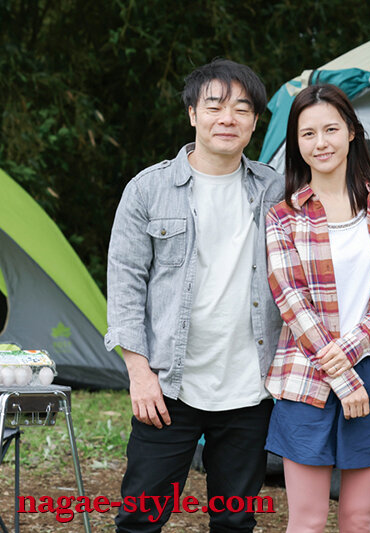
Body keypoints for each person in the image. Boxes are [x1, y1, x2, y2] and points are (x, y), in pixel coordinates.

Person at [106, 59, 284, 531]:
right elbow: (124, 284)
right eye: (214, 106)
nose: (227, 118)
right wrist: (139, 373)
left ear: (255, 122)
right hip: (169, 386)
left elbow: (337, 214)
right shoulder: (148, 189)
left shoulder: (276, 189)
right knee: (140, 518)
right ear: (192, 114)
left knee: (234, 522)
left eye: (241, 109)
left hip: (249, 388)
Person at [264, 83, 370, 533]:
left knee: (359, 519)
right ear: (296, 142)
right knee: (307, 521)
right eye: (308, 134)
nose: (320, 143)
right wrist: (343, 377)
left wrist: (353, 355)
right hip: (306, 377)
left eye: (331, 129)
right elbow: (291, 302)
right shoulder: (283, 216)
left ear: (352, 132)